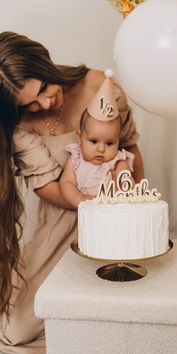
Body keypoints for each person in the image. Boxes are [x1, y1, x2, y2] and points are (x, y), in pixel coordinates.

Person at [0, 31, 144, 353]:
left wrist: (129, 204)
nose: (45, 104)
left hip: (115, 216)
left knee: (132, 308)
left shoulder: (99, 85)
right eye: (31, 104)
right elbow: (46, 185)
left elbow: (130, 147)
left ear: (44, 62)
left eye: (43, 90)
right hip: (62, 222)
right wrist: (85, 202)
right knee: (13, 330)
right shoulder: (21, 123)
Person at [59, 70, 135, 207]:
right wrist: (80, 198)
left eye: (110, 143)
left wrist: (123, 190)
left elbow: (127, 184)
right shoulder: (76, 158)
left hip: (112, 213)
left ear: (118, 141)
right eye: (93, 141)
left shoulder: (118, 161)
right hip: (86, 212)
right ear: (80, 137)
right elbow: (66, 183)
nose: (101, 149)